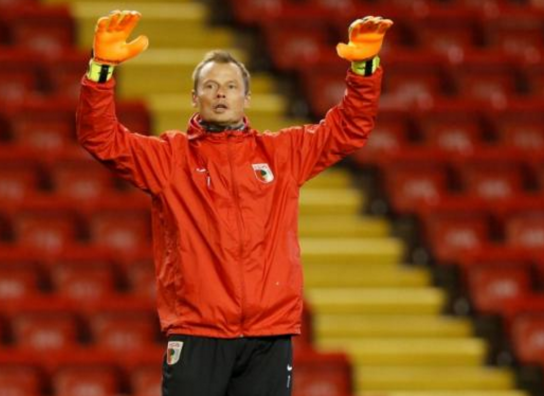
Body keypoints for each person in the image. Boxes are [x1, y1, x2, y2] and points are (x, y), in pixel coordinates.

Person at [76, 9, 392, 396]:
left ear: (247, 97)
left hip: (268, 336)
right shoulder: (169, 158)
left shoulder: (282, 153)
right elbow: (101, 138)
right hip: (198, 332)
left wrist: (364, 68)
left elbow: (348, 128)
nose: (220, 93)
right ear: (194, 98)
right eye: (209, 86)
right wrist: (101, 69)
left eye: (229, 86)